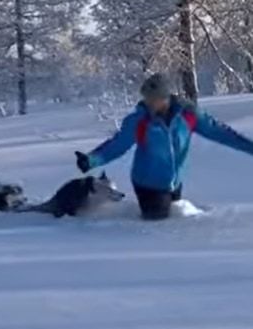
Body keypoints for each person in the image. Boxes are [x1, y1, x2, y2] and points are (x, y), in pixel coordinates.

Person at [75, 73, 253, 220]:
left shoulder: (188, 116)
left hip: (174, 182)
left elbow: (220, 132)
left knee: (176, 216)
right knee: (160, 225)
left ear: (165, 98)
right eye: (147, 99)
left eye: (154, 99)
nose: (149, 103)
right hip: (147, 182)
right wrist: (91, 160)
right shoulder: (139, 121)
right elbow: (117, 145)